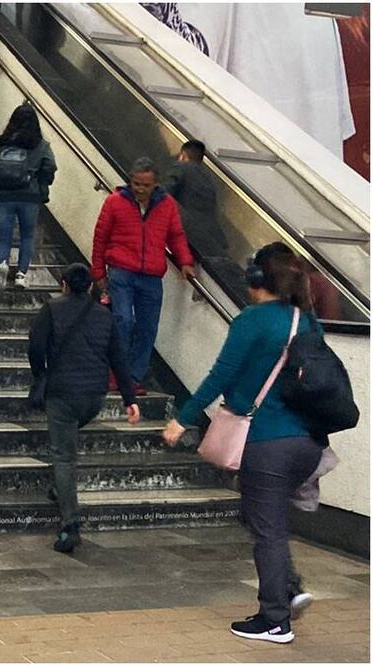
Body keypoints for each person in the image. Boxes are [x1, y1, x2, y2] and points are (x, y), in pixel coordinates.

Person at [162, 242, 325, 644]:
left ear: (257, 280)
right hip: (306, 441)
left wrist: (183, 419)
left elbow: (221, 375)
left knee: (266, 528)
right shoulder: (306, 321)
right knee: (264, 518)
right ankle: (287, 587)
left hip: (267, 440)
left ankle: (274, 619)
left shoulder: (252, 321)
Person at [29, 263, 140, 554]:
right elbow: (118, 357)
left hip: (63, 393)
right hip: (94, 397)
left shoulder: (51, 310)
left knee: (64, 456)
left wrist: (41, 373)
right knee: (66, 444)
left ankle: (70, 525)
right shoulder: (104, 316)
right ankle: (61, 489)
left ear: (63, 284)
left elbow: (36, 347)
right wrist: (130, 399)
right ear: (90, 286)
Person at [91, 157, 196, 393]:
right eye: (136, 183)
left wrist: (185, 261)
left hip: (151, 275)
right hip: (121, 271)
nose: (139, 189)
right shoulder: (114, 202)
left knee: (148, 327)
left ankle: (133, 377)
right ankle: (115, 373)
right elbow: (101, 237)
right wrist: (98, 271)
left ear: (156, 184)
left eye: (145, 185)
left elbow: (176, 235)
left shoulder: (167, 205)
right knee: (123, 321)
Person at [0, 103, 57, 290]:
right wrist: (42, 185)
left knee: (3, 237)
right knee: (27, 236)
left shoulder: (2, 144)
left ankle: (2, 263)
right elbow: (49, 166)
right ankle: (21, 275)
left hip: (3, 196)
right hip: (29, 197)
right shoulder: (41, 146)